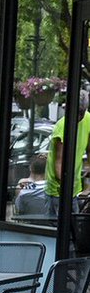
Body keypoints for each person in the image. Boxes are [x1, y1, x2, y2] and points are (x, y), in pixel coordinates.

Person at [44, 89, 90, 217]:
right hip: (57, 190)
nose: (78, 117)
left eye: (81, 112)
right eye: (76, 112)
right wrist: (67, 185)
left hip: (73, 187)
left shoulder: (88, 119)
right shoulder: (62, 126)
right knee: (58, 225)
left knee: (73, 225)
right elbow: (59, 163)